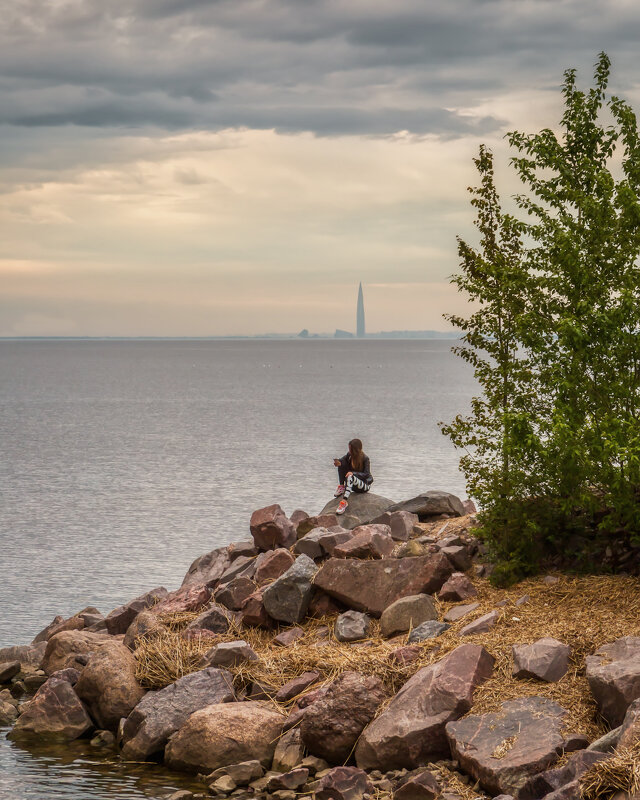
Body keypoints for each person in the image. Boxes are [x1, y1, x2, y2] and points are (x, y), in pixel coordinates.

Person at [333, 438, 373, 515]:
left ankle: (344, 502)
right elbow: (342, 460)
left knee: (350, 476)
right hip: (352, 482)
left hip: (363, 485)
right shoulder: (349, 455)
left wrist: (353, 473)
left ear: (355, 450)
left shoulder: (365, 458)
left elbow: (367, 474)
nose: (349, 451)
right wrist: (338, 462)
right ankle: (342, 486)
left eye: (351, 449)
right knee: (341, 464)